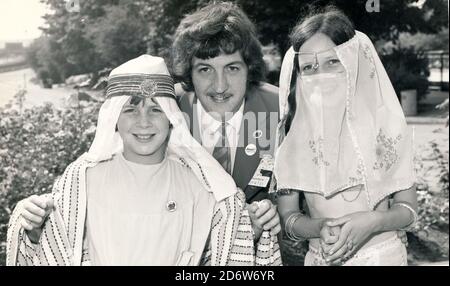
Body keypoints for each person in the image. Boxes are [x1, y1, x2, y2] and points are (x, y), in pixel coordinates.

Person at [7, 55, 282, 266]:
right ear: (114, 118)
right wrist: (32, 227)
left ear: (172, 118)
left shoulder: (204, 186)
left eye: (155, 110)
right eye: (130, 109)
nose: (144, 122)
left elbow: (220, 255)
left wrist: (252, 229)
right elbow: (56, 249)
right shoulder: (80, 181)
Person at [273, 7, 418, 266]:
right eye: (309, 67)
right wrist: (319, 227)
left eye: (333, 62)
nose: (321, 76)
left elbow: (407, 211)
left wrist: (375, 221)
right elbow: (289, 219)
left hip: (382, 258)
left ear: (353, 61)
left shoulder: (384, 128)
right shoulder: (291, 138)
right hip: (320, 259)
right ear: (299, 73)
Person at [171, 2, 281, 239]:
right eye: (205, 69)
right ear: (189, 72)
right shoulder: (168, 109)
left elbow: (299, 199)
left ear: (249, 68)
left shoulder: (278, 109)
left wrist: (275, 215)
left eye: (231, 68)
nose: (219, 86)